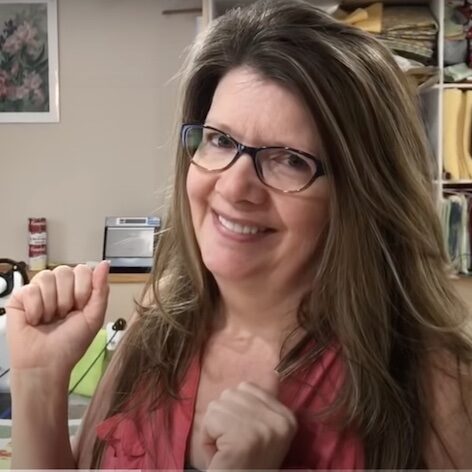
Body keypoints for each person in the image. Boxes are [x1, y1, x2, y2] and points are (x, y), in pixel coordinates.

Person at [6, 0, 472, 469]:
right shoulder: (156, 332)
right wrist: (39, 384)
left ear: (361, 194)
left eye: (290, 159)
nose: (233, 187)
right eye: (220, 140)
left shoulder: (437, 387)